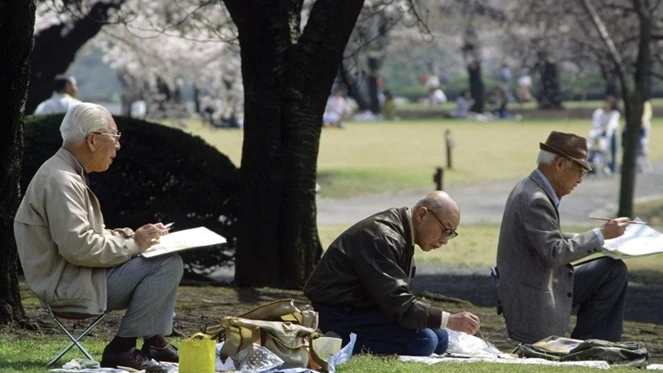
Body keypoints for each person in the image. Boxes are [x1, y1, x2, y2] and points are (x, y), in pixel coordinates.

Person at [14, 103, 183, 370]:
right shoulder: (61, 180)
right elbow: (79, 247)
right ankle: (122, 349)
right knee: (167, 264)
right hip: (69, 287)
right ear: (92, 140)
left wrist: (134, 237)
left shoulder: (64, 173)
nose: (117, 146)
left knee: (160, 255)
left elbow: (87, 237)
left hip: (79, 277)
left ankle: (155, 343)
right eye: (114, 136)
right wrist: (135, 244)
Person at [304, 191, 481, 356]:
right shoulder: (383, 237)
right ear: (422, 215)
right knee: (425, 341)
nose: (445, 240)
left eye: (451, 234)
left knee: (441, 338)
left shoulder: (403, 232)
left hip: (366, 307)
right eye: (445, 230)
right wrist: (449, 319)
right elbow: (396, 302)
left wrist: (441, 321)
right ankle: (335, 342)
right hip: (340, 312)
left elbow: (396, 301)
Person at [495, 130, 631, 344]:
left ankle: (592, 344)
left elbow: (549, 237)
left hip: (538, 284)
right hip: (533, 300)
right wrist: (601, 235)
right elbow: (555, 253)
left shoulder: (531, 187)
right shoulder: (535, 199)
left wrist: (601, 239)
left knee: (611, 270)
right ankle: (590, 348)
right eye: (580, 171)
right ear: (559, 164)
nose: (580, 180)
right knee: (612, 272)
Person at [588, 96, 620, 174]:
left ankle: (613, 165)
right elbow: (595, 124)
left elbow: (612, 125)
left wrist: (606, 130)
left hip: (608, 135)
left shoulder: (614, 113)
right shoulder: (598, 112)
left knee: (613, 138)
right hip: (598, 134)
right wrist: (601, 130)